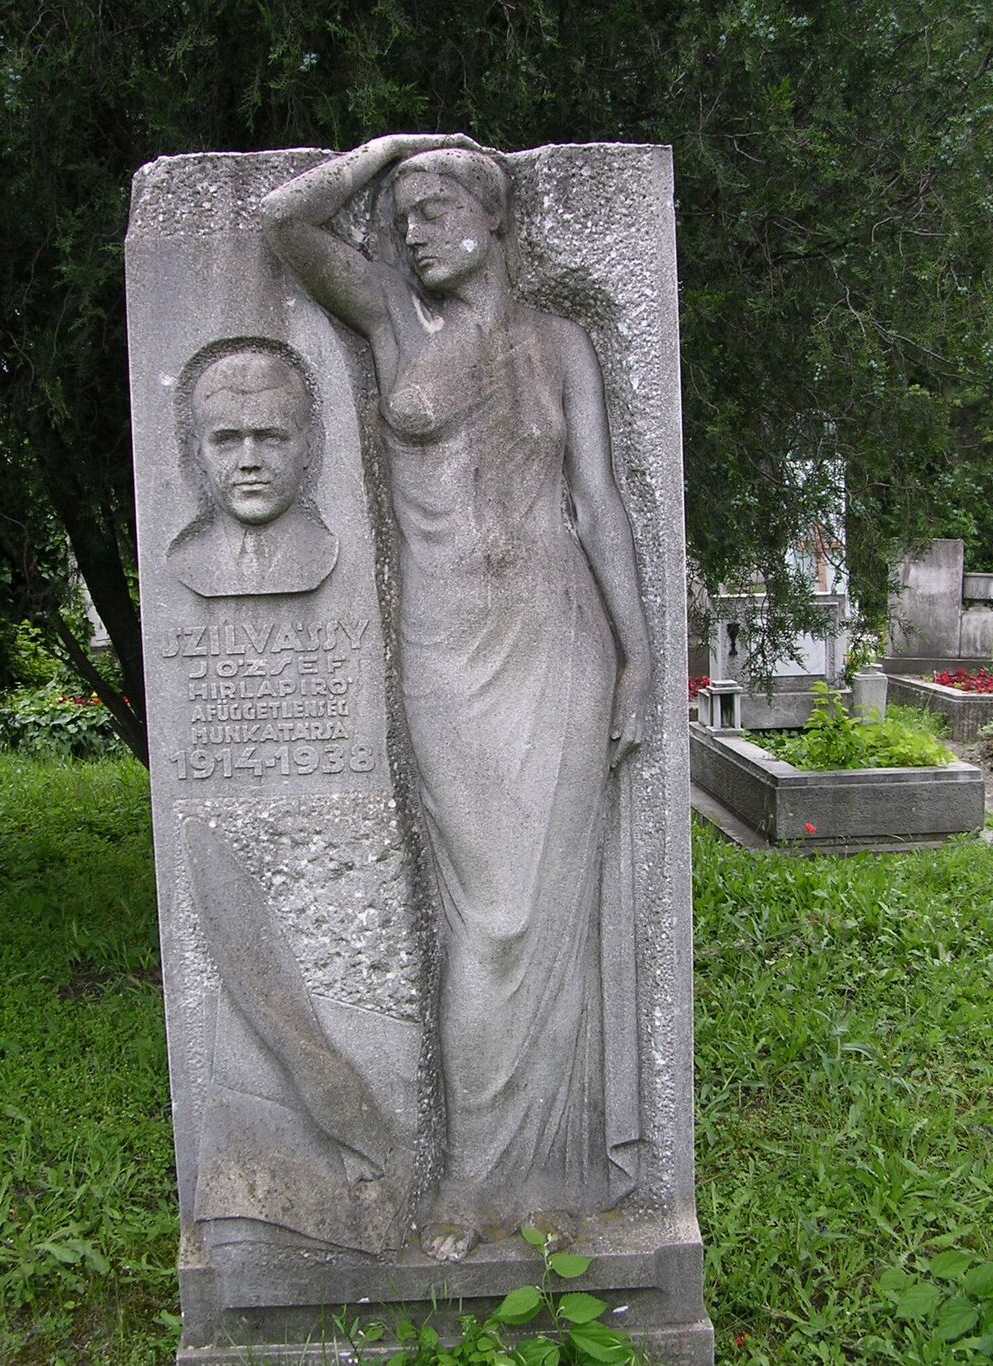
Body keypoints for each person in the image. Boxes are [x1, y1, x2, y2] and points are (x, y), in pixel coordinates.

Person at [261, 134, 651, 1262]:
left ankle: (549, 1179)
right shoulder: (394, 317)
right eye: (401, 216)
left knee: (548, 914)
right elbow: (285, 226)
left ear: (494, 215)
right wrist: (390, 151)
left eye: (433, 208)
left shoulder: (559, 342)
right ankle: (472, 1181)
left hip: (560, 639)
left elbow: (599, 505)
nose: (412, 230)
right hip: (449, 652)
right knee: (488, 919)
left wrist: (638, 658)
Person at [169, 343, 338, 598]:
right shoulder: (187, 560)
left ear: (308, 447)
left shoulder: (324, 550)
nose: (249, 462)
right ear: (198, 453)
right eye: (226, 440)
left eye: (271, 438)